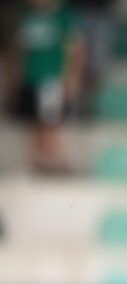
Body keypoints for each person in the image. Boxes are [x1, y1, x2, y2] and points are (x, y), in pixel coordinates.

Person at [4, 0, 84, 174]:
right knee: (33, 121)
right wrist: (13, 76)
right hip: (29, 77)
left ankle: (58, 161)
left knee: (51, 122)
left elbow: (74, 47)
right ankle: (37, 162)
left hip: (51, 78)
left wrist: (70, 77)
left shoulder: (63, 14)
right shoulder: (25, 14)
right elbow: (17, 49)